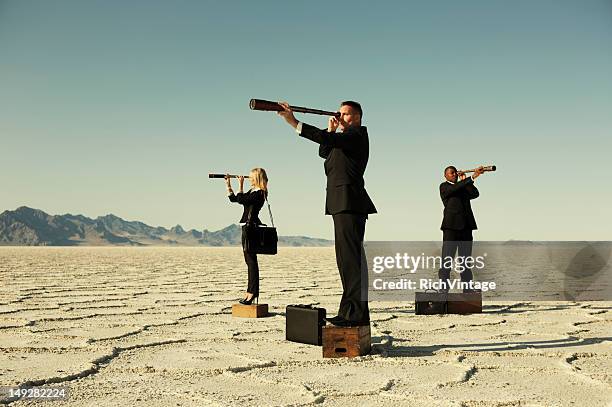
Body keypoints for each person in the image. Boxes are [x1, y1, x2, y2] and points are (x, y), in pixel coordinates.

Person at [277, 100, 376, 327]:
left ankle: (355, 315)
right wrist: (330, 130)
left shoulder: (357, 135)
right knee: (346, 261)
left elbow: (327, 141)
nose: (341, 117)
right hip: (339, 204)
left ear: (358, 117)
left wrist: (293, 122)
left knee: (352, 260)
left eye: (346, 114)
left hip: (350, 203)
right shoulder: (340, 139)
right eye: (339, 113)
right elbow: (324, 151)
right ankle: (351, 312)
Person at [225, 168, 269, 305]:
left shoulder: (259, 193)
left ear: (257, 178)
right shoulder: (253, 192)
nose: (249, 179)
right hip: (246, 227)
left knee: (251, 262)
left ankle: (252, 293)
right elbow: (234, 199)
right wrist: (228, 185)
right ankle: (250, 292)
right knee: (249, 261)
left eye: (251, 177)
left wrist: (240, 186)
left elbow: (241, 199)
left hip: (251, 227)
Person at [438, 165, 485, 292]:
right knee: (447, 259)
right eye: (451, 173)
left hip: (466, 227)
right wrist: (472, 177)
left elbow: (475, 194)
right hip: (451, 228)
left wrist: (467, 181)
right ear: (445, 175)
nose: (454, 175)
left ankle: (467, 288)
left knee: (465, 261)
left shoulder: (462, 186)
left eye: (455, 173)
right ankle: (443, 288)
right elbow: (454, 189)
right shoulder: (444, 187)